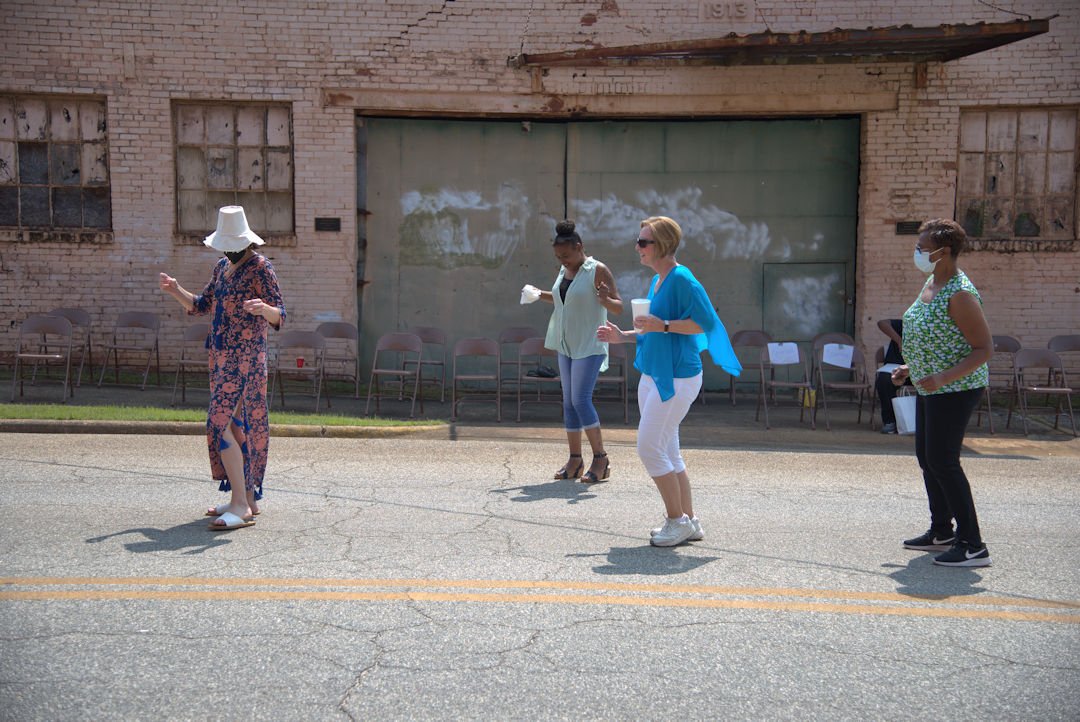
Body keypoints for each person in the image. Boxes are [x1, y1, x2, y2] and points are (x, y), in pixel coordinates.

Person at [597, 216, 741, 546]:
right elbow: (655, 327)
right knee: (668, 451)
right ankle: (689, 521)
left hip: (676, 378)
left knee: (649, 448)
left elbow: (702, 324)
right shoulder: (660, 281)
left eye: (643, 242)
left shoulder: (682, 279)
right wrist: (624, 336)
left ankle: (677, 521)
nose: (637, 247)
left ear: (662, 246)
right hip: (655, 374)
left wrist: (661, 325)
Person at [159, 205, 286, 531]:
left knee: (219, 425)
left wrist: (264, 308)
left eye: (233, 245)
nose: (229, 251)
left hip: (246, 361)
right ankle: (245, 500)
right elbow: (201, 305)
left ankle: (240, 505)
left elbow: (280, 316)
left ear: (246, 242)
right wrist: (176, 291)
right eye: (225, 246)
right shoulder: (221, 268)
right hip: (220, 358)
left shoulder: (261, 268)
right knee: (235, 425)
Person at [892, 218, 992, 567]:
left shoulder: (960, 293)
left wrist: (944, 376)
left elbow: (983, 349)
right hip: (929, 385)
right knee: (927, 458)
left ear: (943, 251)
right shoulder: (931, 282)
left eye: (922, 245)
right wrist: (911, 369)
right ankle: (942, 531)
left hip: (956, 388)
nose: (917, 251)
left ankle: (973, 545)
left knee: (944, 462)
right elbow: (929, 334)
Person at [528, 220, 623, 483]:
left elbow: (618, 307)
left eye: (567, 256)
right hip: (566, 343)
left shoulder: (597, 270)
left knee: (580, 399)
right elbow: (563, 299)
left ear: (579, 247)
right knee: (569, 402)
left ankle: (601, 459)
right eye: (559, 257)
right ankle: (575, 460)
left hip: (590, 344)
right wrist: (538, 294)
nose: (563, 261)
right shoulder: (564, 270)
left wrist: (604, 299)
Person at [875, 318, 909, 433]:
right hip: (895, 368)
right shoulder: (908, 324)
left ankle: (919, 422)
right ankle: (890, 422)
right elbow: (882, 323)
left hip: (918, 369)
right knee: (884, 379)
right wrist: (899, 341)